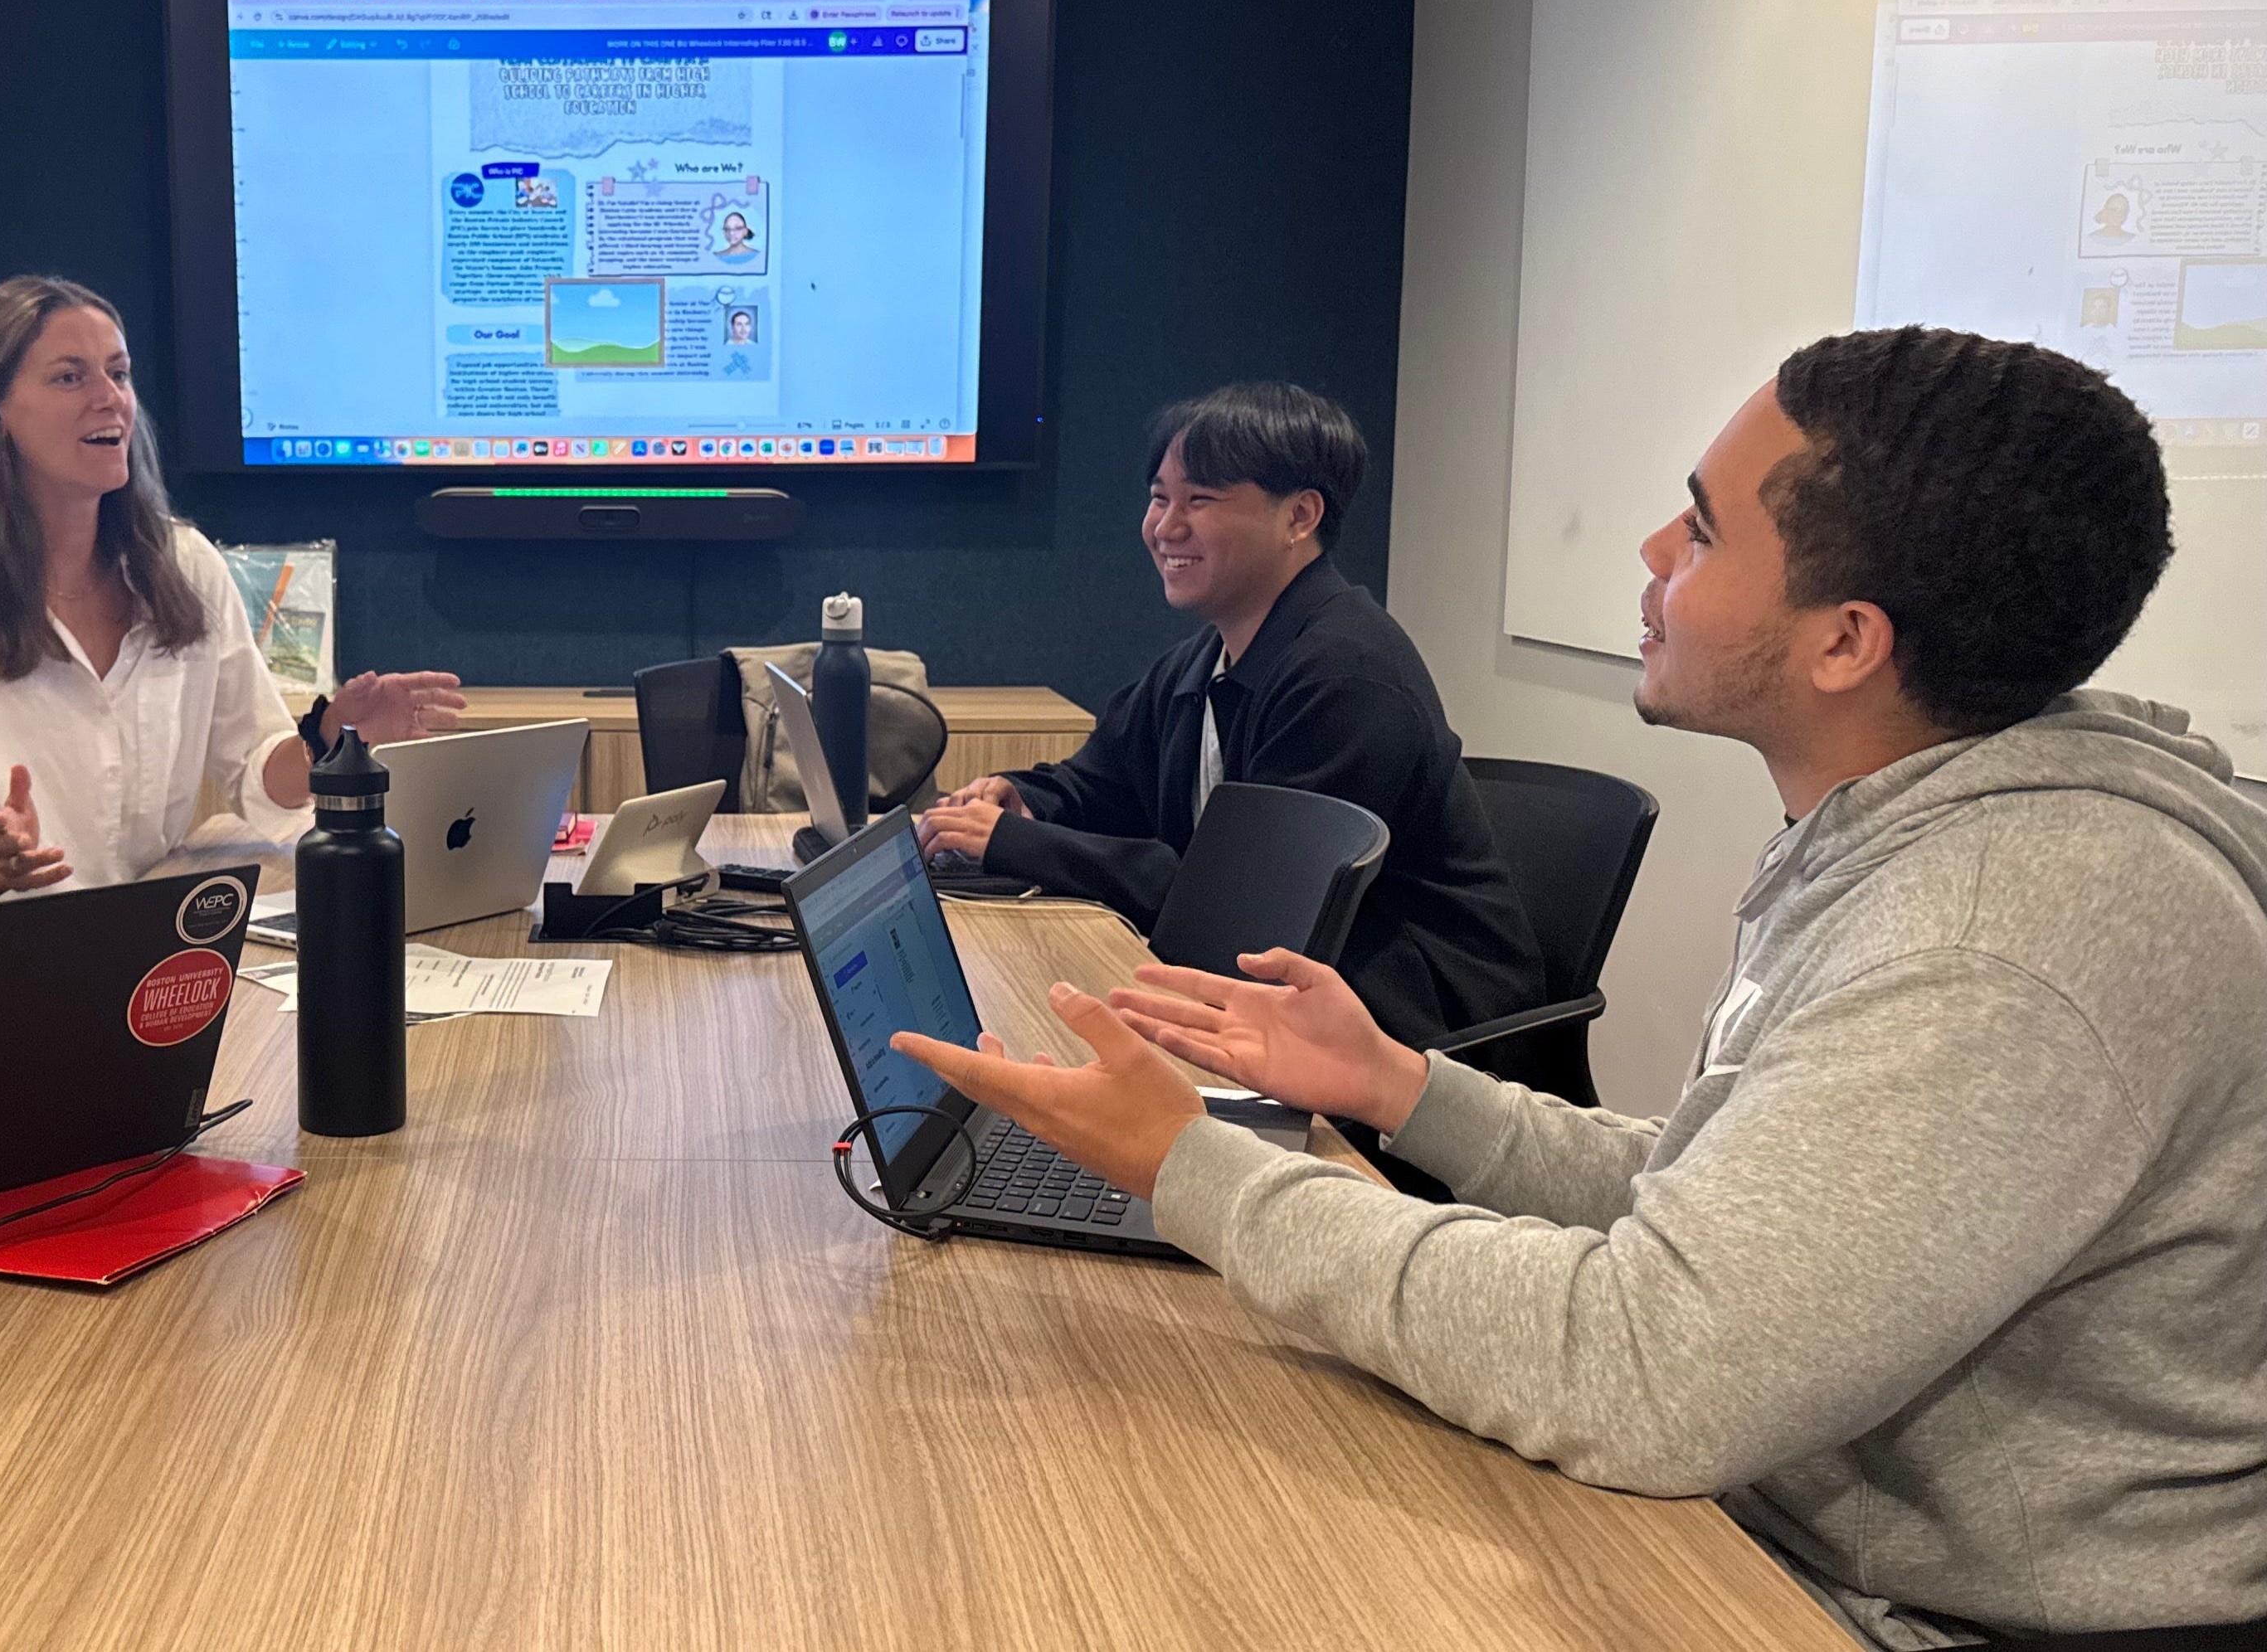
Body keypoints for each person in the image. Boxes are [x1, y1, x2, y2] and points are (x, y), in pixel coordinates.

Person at [900, 328, 2267, 1649]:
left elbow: (1648, 1364)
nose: (1651, 553)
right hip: (1787, 1507)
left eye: (1703, 528)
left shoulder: (1996, 931)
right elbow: (1719, 1200)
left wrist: (1192, 1170)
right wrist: (1405, 1087)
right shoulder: (1918, 837)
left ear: (1845, 641)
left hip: (1916, 1610)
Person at [918, 381, 1540, 1049]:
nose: (1165, 526)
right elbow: (1102, 785)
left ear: (1299, 516)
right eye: (1159, 498)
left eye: (1201, 500)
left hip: (1417, 1030)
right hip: (1283, 1001)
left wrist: (1016, 842)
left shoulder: (1347, 679)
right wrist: (1025, 801)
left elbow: (1240, 911)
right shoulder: (1206, 658)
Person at [0, 275, 465, 892]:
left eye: (118, 374)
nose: (110, 399)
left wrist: (333, 736)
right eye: (70, 377)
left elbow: (257, 773)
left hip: (158, 949)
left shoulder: (184, 565)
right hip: (1, 960)